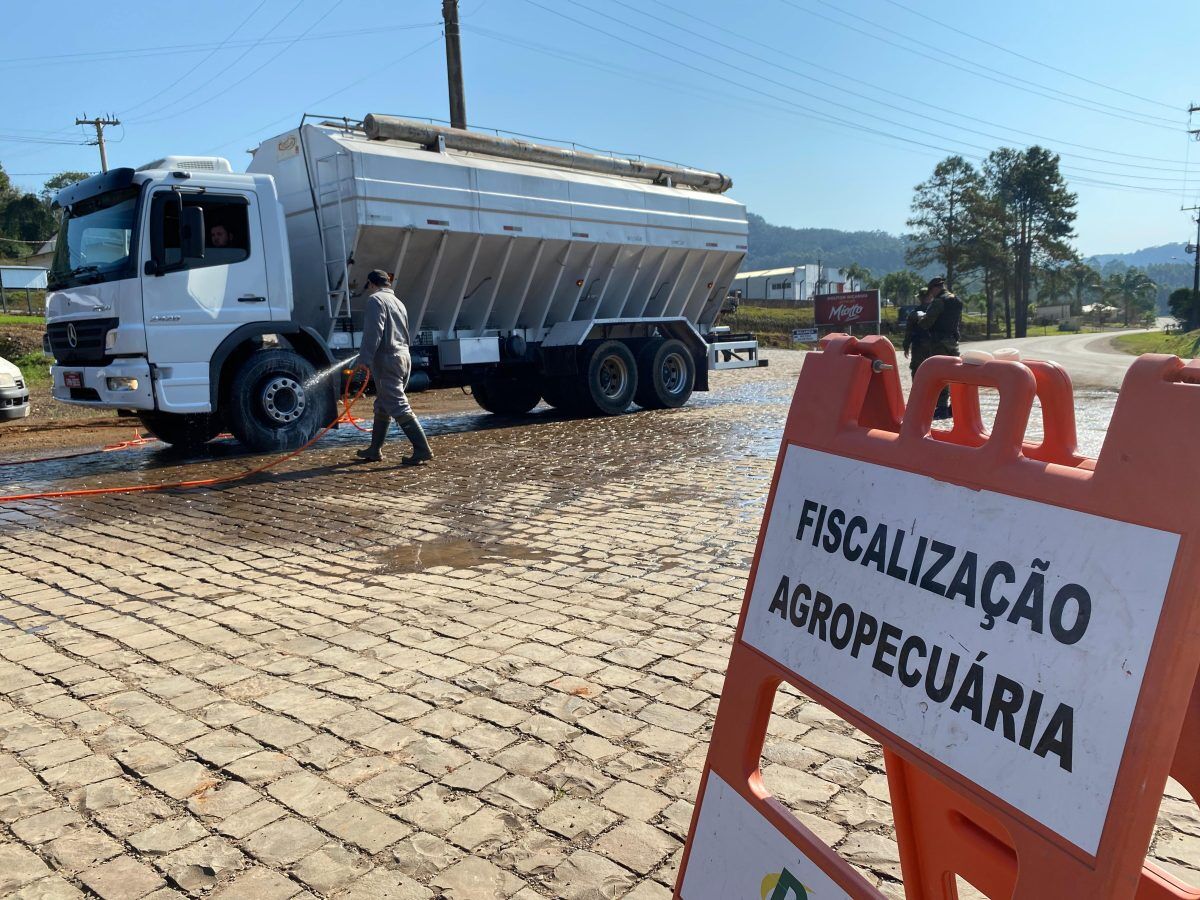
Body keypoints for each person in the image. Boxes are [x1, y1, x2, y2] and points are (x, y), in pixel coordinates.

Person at [354, 269, 433, 465]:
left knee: (396, 403)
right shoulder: (398, 302)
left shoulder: (376, 300)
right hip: (403, 356)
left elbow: (373, 333)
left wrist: (364, 359)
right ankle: (374, 449)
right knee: (383, 403)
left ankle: (422, 449)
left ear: (371, 284)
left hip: (387, 359)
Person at [916, 276, 963, 420]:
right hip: (953, 342)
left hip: (939, 343)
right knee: (955, 375)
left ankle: (942, 408)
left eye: (931, 291)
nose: (931, 294)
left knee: (941, 375)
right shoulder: (956, 300)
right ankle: (955, 407)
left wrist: (920, 317)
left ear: (935, 288)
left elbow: (926, 323)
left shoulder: (939, 301)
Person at [901, 288, 931, 378]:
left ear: (920, 298)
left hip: (918, 346)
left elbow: (909, 332)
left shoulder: (913, 314)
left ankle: (917, 390)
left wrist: (906, 346)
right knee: (934, 369)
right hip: (934, 345)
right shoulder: (936, 312)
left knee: (917, 370)